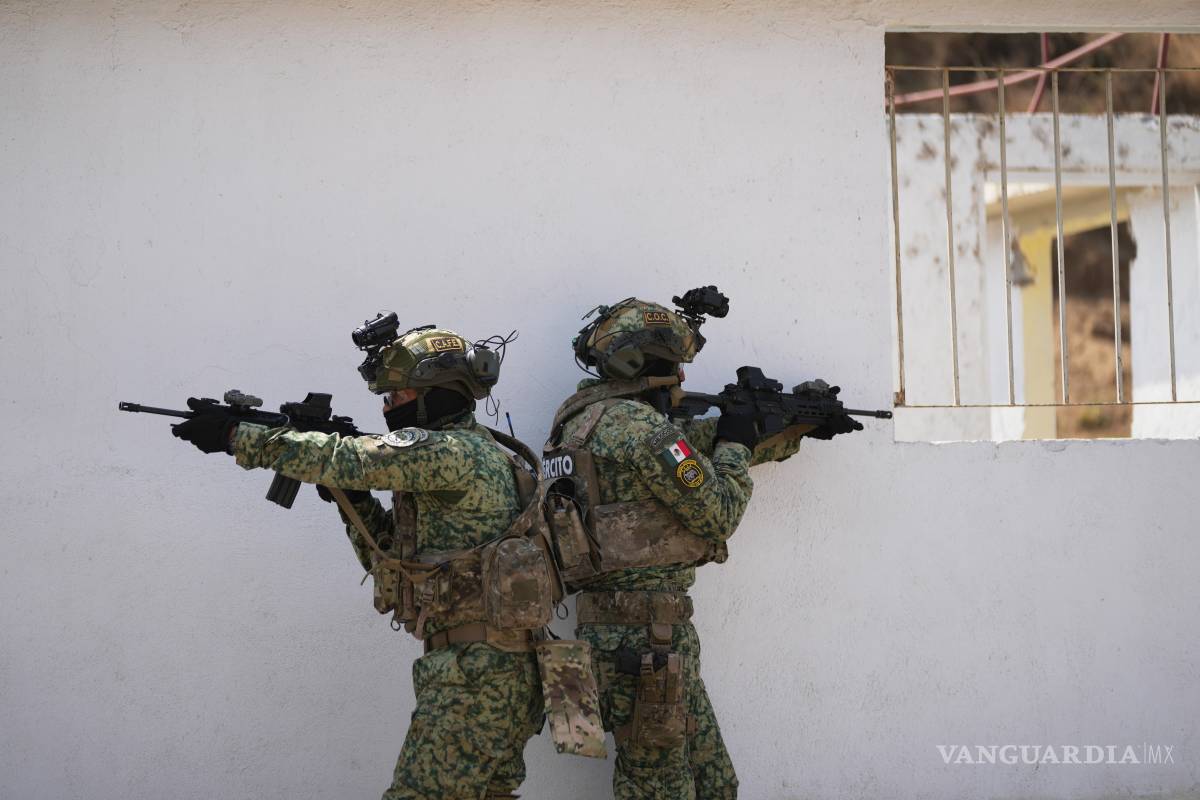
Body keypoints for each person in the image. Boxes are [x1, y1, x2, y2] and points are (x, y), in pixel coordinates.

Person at [172, 323, 551, 800]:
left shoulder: (451, 452)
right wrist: (354, 502)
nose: (388, 408)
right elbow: (393, 560)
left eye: (398, 395)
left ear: (436, 393)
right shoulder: (476, 453)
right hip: (491, 669)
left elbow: (346, 458)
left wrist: (236, 435)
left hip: (478, 676)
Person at [542, 295, 836, 800]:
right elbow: (718, 511)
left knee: (712, 782)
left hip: (623, 634)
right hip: (646, 643)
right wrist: (737, 444)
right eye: (675, 364)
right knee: (660, 788)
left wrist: (792, 427)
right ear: (644, 362)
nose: (681, 377)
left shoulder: (582, 421)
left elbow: (685, 451)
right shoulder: (640, 429)